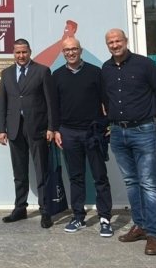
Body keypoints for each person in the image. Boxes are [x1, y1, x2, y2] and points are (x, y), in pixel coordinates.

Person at [102, 29, 156, 256]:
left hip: (144, 130)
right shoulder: (106, 68)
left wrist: (150, 116)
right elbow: (106, 98)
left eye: (118, 40)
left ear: (126, 41)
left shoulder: (145, 64)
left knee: (149, 183)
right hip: (118, 132)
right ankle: (139, 225)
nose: (115, 45)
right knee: (131, 182)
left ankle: (153, 235)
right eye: (110, 42)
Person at [52, 38, 113, 237]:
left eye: (74, 49)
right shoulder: (57, 75)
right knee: (76, 177)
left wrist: (109, 124)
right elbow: (54, 106)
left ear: (81, 50)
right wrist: (57, 130)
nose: (70, 53)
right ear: (63, 53)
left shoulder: (95, 72)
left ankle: (105, 218)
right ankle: (78, 216)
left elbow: (107, 100)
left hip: (93, 132)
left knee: (100, 177)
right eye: (67, 50)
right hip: (69, 133)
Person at [0, 38, 55, 228]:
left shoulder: (42, 71)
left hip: (37, 127)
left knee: (41, 171)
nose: (21, 56)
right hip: (14, 128)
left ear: (30, 52)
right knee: (19, 172)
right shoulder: (6, 73)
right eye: (17, 52)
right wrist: (1, 129)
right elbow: (2, 103)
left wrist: (51, 127)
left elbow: (50, 102)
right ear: (13, 54)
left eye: (24, 52)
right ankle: (20, 208)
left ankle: (45, 211)